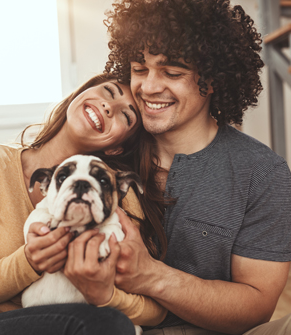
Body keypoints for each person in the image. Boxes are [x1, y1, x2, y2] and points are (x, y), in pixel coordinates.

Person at [97, 0, 291, 334]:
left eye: (172, 72)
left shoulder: (264, 174)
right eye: (140, 69)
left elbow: (256, 306)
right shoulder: (109, 148)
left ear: (212, 80)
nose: (149, 87)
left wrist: (151, 276)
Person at [0, 73, 167, 335]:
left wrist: (105, 295)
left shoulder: (117, 194)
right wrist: (29, 261)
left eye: (126, 116)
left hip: (78, 322)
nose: (108, 107)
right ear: (80, 94)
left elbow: (155, 310)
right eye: (107, 92)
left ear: (118, 148)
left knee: (109, 324)